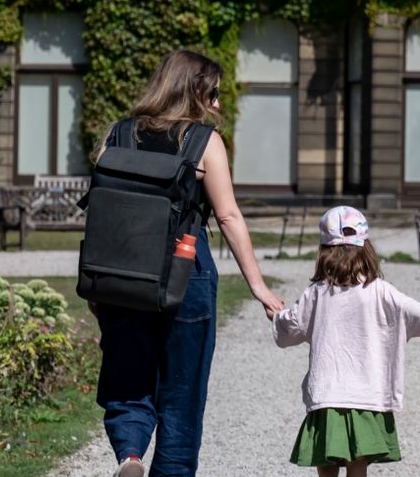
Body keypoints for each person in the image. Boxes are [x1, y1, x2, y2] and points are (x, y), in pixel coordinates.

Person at [94, 49, 285, 477]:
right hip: (187, 274)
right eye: (214, 93)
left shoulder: (118, 134)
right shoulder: (203, 141)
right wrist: (258, 287)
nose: (218, 104)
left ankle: (129, 455)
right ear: (194, 91)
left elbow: (101, 212)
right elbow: (229, 215)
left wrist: (96, 286)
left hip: (123, 272)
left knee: (127, 377)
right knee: (182, 393)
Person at [273, 205, 420, 477]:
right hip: (366, 394)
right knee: (358, 464)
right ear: (366, 248)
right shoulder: (380, 290)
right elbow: (411, 309)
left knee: (327, 460)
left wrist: (275, 315)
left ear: (323, 251)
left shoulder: (317, 293)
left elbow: (292, 326)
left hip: (328, 394)